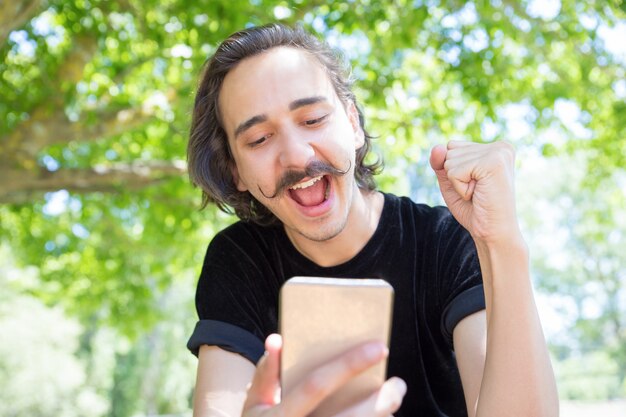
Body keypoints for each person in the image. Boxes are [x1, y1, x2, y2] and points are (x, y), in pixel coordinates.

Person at [185, 23, 558, 417]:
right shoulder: (239, 260)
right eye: (259, 139)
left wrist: (502, 242)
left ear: (353, 124)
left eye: (312, 119)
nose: (295, 155)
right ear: (235, 171)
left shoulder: (447, 241)